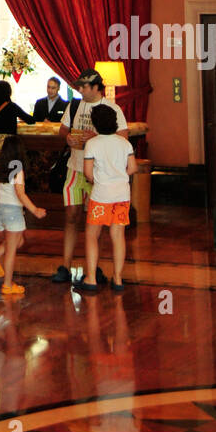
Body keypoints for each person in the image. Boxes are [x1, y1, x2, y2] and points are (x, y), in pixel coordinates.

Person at [52, 69, 130, 285]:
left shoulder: (112, 108)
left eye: (85, 86)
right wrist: (68, 138)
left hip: (99, 173)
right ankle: (66, 266)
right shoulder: (75, 105)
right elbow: (63, 129)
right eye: (79, 86)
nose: (81, 90)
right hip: (75, 167)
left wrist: (96, 137)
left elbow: (123, 136)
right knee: (71, 216)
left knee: (97, 223)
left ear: (96, 87)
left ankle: (93, 269)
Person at [76, 104, 137, 294]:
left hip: (101, 195)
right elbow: (133, 168)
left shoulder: (93, 144)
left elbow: (87, 173)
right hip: (121, 195)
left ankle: (91, 278)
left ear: (95, 124)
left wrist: (100, 180)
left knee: (92, 235)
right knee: (117, 236)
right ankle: (118, 278)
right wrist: (119, 178)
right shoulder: (124, 143)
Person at [0, 134, 46, 295]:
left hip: (0, 211)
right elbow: (20, 193)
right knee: (11, 250)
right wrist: (35, 209)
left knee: (18, 241)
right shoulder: (18, 169)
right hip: (13, 212)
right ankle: (8, 285)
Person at [0, 80, 36, 277]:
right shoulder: (11, 106)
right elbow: (30, 120)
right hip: (8, 149)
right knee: (12, 183)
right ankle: (5, 221)